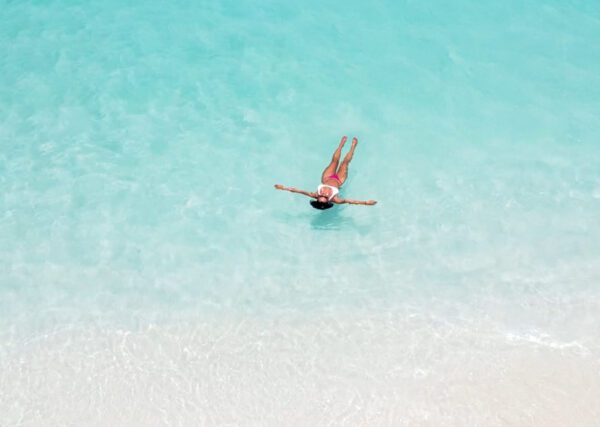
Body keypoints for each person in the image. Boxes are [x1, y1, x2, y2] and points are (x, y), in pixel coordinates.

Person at [274, 136, 378, 210]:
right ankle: (353, 147)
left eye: (321, 196)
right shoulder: (335, 199)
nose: (323, 194)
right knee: (345, 163)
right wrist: (366, 203)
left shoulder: (314, 194)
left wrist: (283, 188)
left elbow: (298, 191)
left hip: (327, 177)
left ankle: (341, 145)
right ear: (328, 201)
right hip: (339, 180)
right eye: (325, 197)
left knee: (334, 160)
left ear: (317, 198)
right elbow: (350, 201)